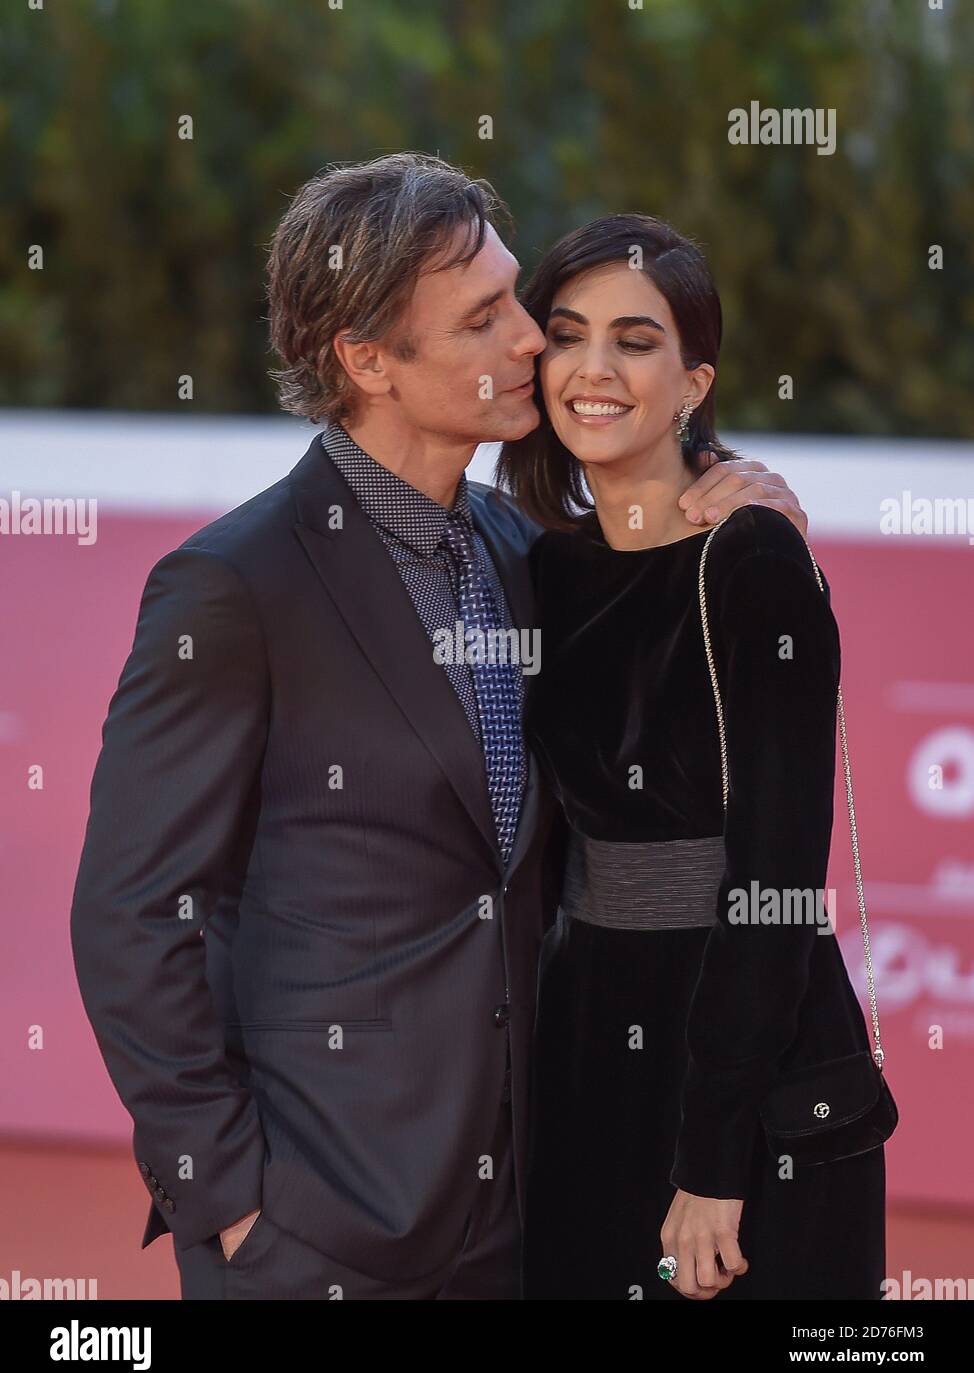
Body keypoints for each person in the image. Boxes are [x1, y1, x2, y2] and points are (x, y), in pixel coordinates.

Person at [69, 156, 807, 1300]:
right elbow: (128, 915)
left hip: (519, 1216)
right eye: (483, 319)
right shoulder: (233, 587)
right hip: (309, 1232)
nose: (531, 342)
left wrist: (739, 500)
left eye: (515, 301)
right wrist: (225, 1194)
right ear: (367, 361)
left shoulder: (530, 559)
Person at [497, 213, 888, 1301]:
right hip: (586, 1051)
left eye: (634, 340)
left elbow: (774, 880)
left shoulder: (752, 555)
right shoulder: (543, 568)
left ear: (691, 380)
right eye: (567, 333)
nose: (591, 368)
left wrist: (713, 1159)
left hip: (746, 1067)